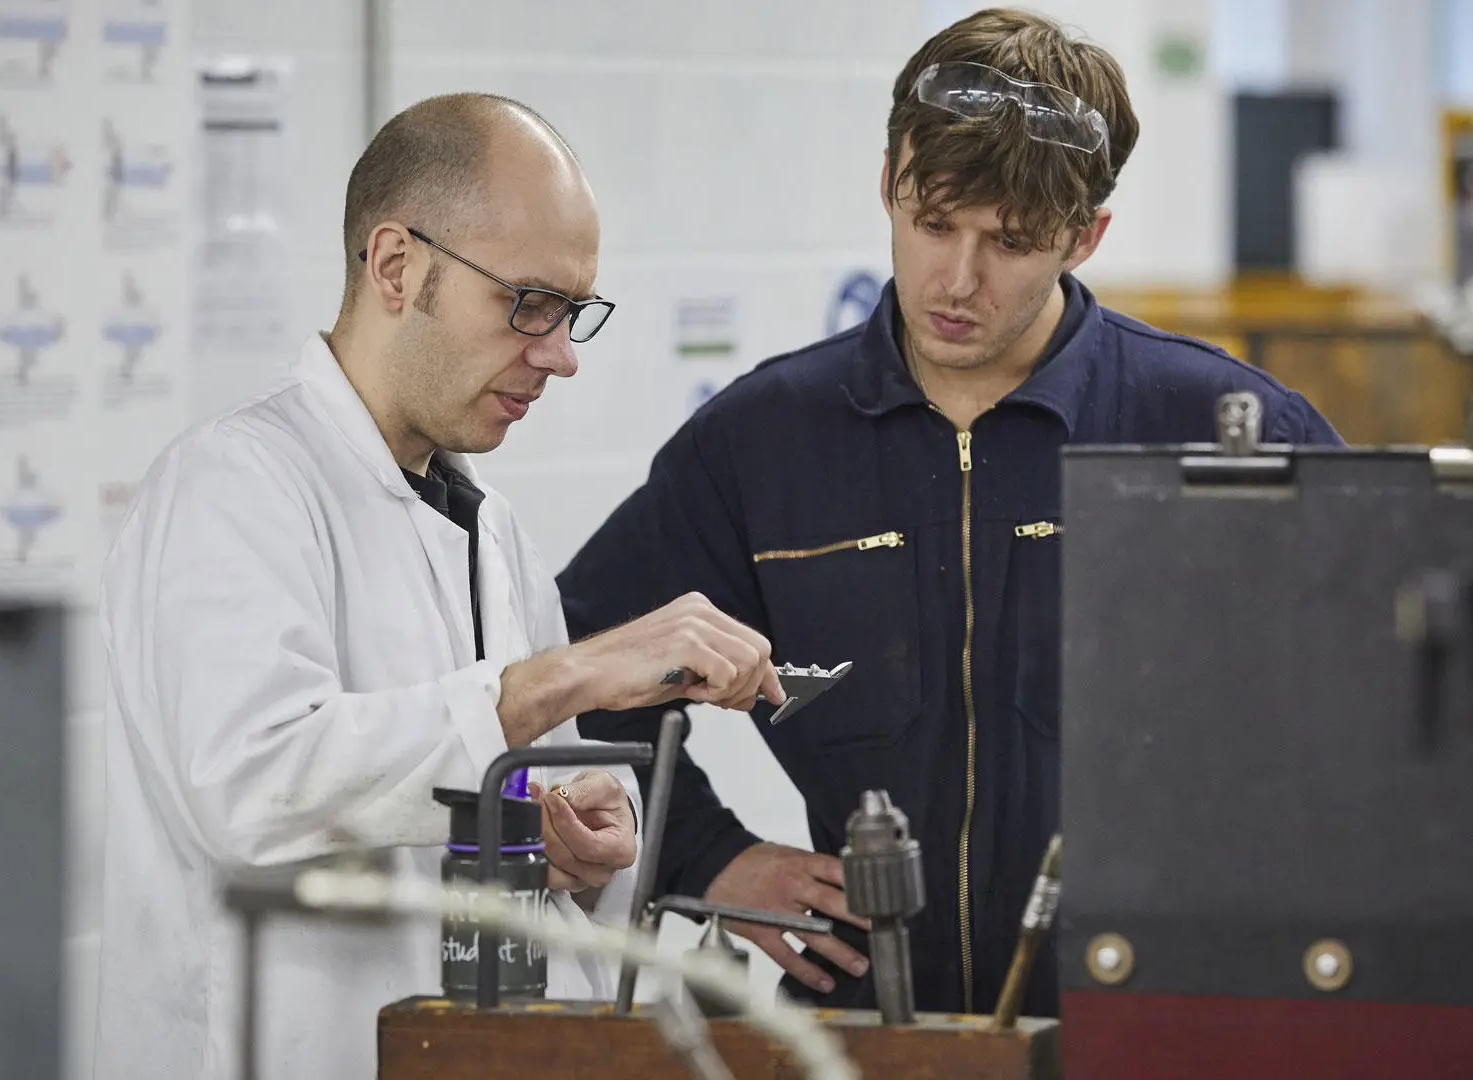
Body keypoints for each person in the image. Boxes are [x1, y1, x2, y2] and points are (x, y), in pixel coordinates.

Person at [558, 8, 1344, 1019]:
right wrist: (711, 857)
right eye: (935, 225)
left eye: (1010, 243)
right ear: (890, 182)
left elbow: (1377, 702)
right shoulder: (764, 441)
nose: (958, 281)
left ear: (1084, 235)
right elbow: (581, 662)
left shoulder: (1212, 426)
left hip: (1155, 1022)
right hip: (867, 1026)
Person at [92, 93, 786, 1080]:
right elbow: (251, 785)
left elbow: (481, 802)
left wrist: (569, 845)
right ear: (395, 266)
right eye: (528, 303)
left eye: (574, 311)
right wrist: (565, 677)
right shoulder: (234, 484)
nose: (561, 353)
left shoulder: (485, 524)